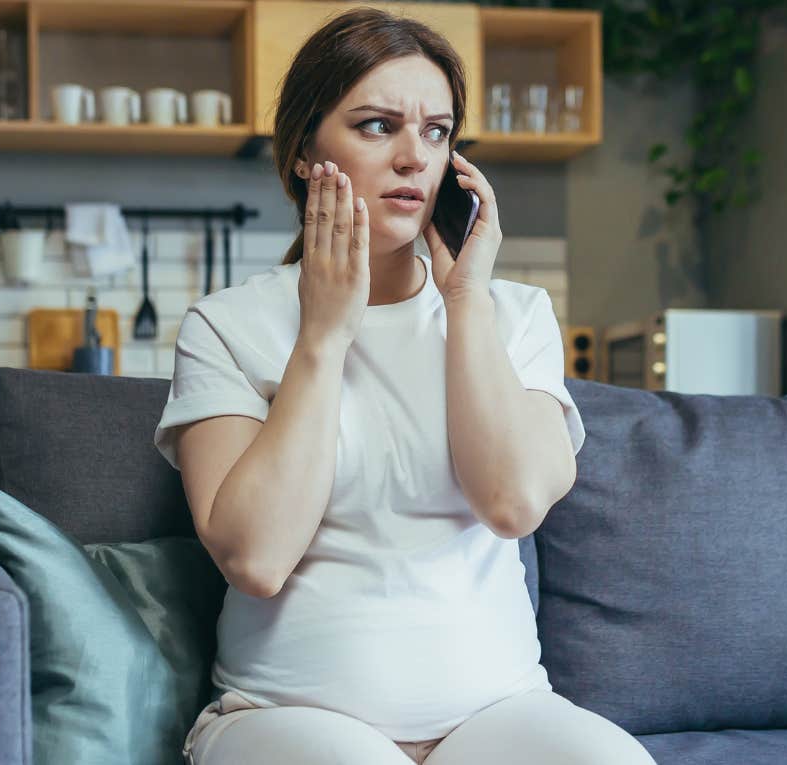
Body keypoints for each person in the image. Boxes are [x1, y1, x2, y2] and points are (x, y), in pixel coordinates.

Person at [152, 7, 656, 764]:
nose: (414, 158)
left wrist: (465, 305)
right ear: (301, 153)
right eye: (378, 125)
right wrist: (323, 335)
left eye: (437, 130)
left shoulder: (512, 314)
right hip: (283, 714)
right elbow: (256, 558)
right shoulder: (228, 324)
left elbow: (512, 502)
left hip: (499, 712)